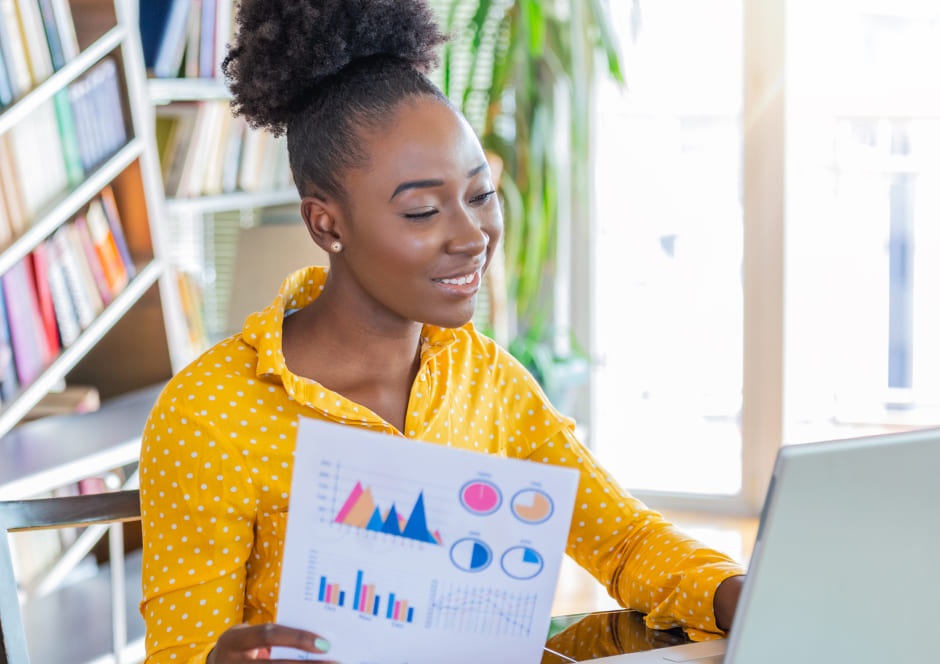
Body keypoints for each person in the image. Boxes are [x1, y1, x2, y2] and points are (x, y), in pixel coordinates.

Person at [138, 1, 746, 662]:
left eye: (480, 195)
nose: (472, 235)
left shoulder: (487, 381)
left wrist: (736, 590)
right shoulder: (211, 413)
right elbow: (183, 653)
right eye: (423, 210)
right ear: (326, 225)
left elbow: (621, 539)